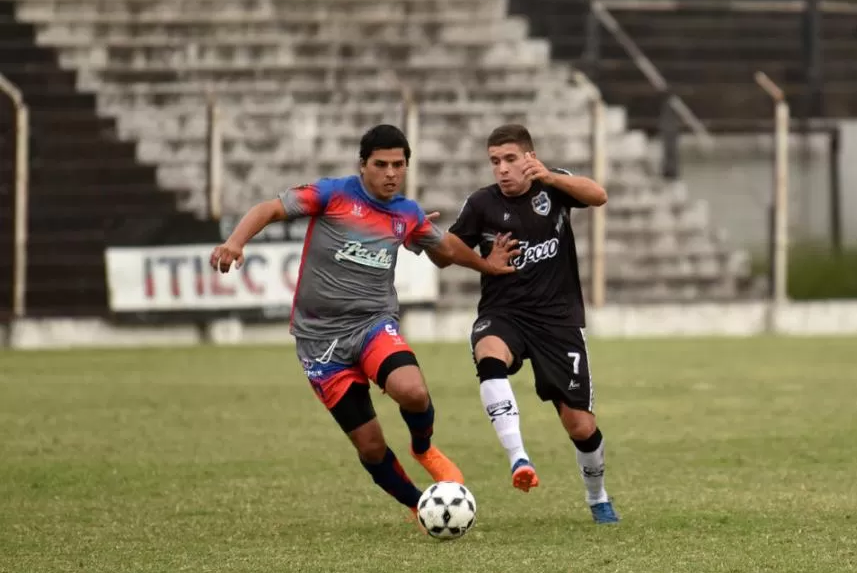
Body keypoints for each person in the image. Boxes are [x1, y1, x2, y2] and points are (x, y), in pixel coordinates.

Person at [210, 124, 518, 526]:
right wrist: (236, 242)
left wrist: (486, 264)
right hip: (319, 341)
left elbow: (443, 251)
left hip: (373, 324)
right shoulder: (333, 194)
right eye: (381, 164)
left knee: (413, 391)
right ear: (363, 166)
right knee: (371, 447)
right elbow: (268, 209)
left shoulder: (406, 213)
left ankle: (423, 448)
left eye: (399, 165)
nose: (391, 173)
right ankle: (418, 505)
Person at [436, 123, 619, 524]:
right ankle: (519, 458)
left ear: (529, 158)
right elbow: (444, 252)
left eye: (510, 159)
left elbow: (599, 196)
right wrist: (446, 246)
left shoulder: (553, 187)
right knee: (488, 352)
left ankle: (597, 497)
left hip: (558, 320)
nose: (501, 169)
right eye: (494, 161)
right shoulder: (481, 204)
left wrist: (551, 176)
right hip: (505, 313)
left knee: (580, 425)